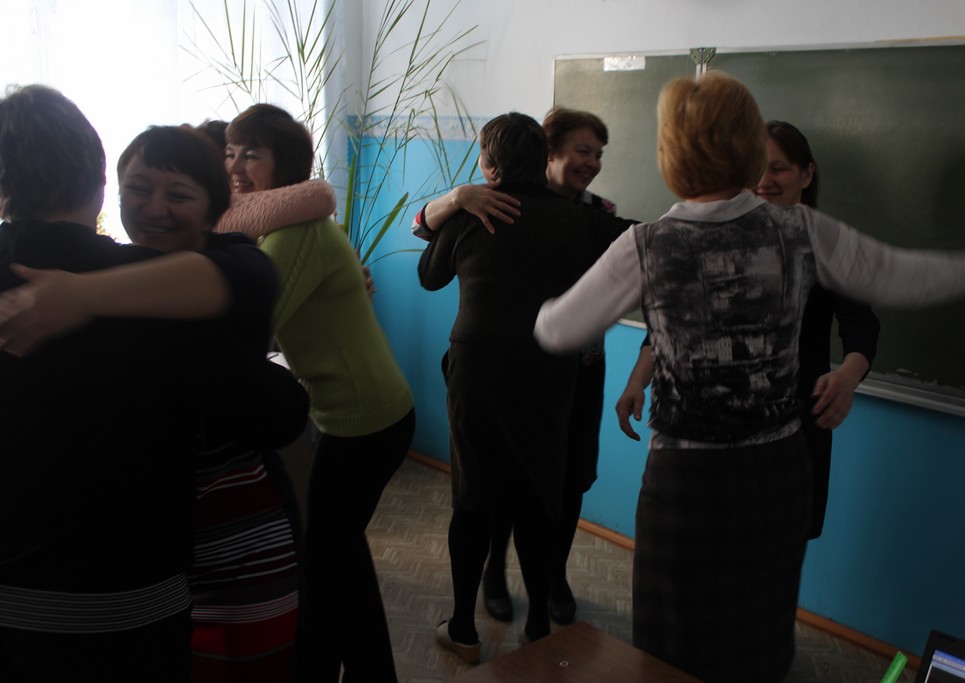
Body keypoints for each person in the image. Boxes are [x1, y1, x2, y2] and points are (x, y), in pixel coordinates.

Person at [533, 71, 965, 683]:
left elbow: (556, 330)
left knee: (668, 651)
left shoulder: (647, 244)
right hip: (776, 474)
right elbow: (899, 274)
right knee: (758, 645)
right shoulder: (800, 229)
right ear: (745, 147)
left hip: (686, 482)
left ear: (671, 152)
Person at [0, 85, 309, 682]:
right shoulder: (157, 298)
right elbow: (281, 411)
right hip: (131, 608)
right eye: (139, 188)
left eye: (179, 194)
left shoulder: (162, 281)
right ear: (102, 184)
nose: (154, 209)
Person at [417, 112, 626, 660]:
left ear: (490, 167)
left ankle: (463, 629)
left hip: (477, 371)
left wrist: (458, 202)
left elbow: (429, 276)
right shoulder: (580, 220)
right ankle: (537, 626)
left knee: (473, 499)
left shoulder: (474, 212)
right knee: (539, 496)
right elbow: (642, 244)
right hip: (548, 372)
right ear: (544, 160)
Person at [222, 103, 415, 683]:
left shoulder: (295, 232)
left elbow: (255, 324)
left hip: (365, 421)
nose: (235, 166)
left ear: (283, 165)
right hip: (356, 416)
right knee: (341, 555)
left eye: (251, 155)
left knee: (324, 567)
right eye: (229, 153)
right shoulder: (280, 229)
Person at [615, 120, 881, 540]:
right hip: (710, 426)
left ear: (806, 174)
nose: (764, 180)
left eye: (779, 168)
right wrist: (637, 381)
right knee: (708, 542)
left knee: (775, 547)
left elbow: (861, 324)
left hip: (790, 427)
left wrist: (847, 375)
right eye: (757, 168)